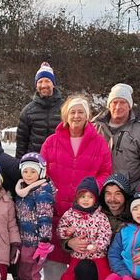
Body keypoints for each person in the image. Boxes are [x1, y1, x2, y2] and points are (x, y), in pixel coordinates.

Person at [40, 96, 113, 268]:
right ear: (66, 115)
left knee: (81, 272)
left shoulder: (99, 143)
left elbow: (106, 172)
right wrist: (50, 190)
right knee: (55, 270)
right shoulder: (51, 142)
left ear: (87, 116)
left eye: (81, 112)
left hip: (86, 214)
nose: (76, 116)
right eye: (72, 112)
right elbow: (42, 172)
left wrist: (91, 188)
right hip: (56, 211)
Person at [49, 177, 113, 280]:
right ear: (77, 197)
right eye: (83, 196)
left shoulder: (100, 216)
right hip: (77, 256)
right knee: (68, 278)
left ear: (95, 199)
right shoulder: (70, 214)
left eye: (90, 197)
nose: (86, 200)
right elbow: (60, 230)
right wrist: (67, 232)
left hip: (98, 257)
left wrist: (98, 246)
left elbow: (106, 235)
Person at [10, 153, 55, 280]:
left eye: (33, 171)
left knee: (32, 274)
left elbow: (45, 217)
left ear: (41, 172)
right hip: (23, 239)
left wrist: (44, 241)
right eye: (25, 171)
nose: (28, 175)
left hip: (36, 242)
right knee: (22, 272)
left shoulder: (42, 192)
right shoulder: (22, 190)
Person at [92, 83, 140, 189]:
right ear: (109, 105)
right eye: (115, 102)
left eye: (122, 102)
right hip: (98, 188)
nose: (118, 107)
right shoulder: (94, 127)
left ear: (129, 106)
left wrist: (139, 191)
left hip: (130, 190)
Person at [15, 61, 63, 157]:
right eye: (40, 82)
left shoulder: (65, 109)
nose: (43, 85)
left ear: (53, 84)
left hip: (59, 161)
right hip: (35, 163)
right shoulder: (27, 111)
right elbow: (21, 144)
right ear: (36, 85)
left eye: (47, 81)